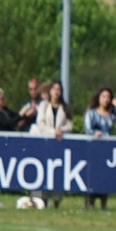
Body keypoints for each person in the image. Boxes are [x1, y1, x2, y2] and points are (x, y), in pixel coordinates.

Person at [83, 86, 116, 210]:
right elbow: (87, 128)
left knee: (105, 175)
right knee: (92, 175)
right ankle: (90, 202)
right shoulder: (92, 112)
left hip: (107, 148)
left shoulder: (112, 114)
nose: (106, 99)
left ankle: (103, 203)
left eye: (108, 97)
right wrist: (95, 133)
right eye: (103, 96)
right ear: (99, 98)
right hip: (94, 148)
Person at [31, 79, 73, 209]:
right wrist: (52, 132)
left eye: (59, 89)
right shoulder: (44, 105)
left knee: (57, 173)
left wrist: (61, 131)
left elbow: (70, 125)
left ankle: (56, 202)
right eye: (54, 89)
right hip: (45, 143)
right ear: (50, 91)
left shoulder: (64, 107)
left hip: (58, 144)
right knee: (42, 171)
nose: (56, 92)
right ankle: (41, 201)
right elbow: (40, 123)